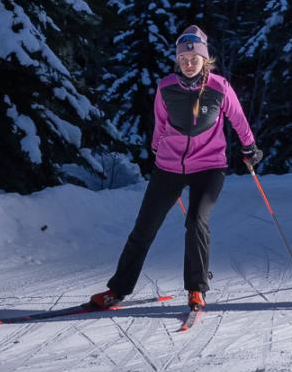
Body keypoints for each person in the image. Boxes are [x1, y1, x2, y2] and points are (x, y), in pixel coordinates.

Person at [89, 26, 261, 313]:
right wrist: (156, 148)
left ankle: (196, 289)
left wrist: (249, 147)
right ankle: (117, 290)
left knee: (196, 221)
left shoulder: (220, 87)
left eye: (194, 58)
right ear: (177, 61)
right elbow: (160, 122)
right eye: (183, 58)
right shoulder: (166, 87)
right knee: (144, 227)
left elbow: (238, 118)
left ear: (205, 60)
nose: (189, 63)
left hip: (209, 166)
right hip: (169, 166)